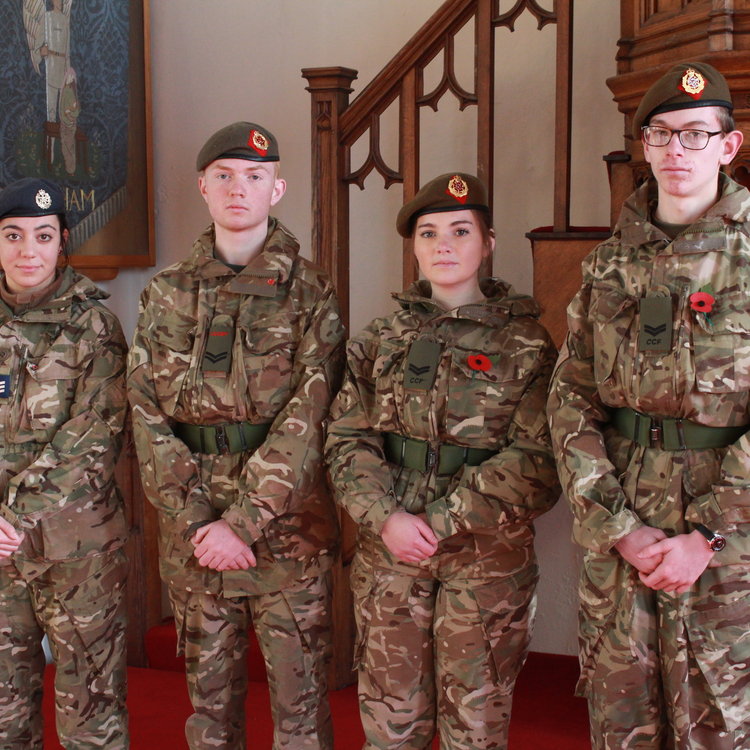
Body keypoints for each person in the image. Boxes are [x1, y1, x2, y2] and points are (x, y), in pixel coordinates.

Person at [548, 61, 750, 749]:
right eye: (660, 134)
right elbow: (571, 394)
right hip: (622, 531)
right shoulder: (609, 263)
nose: (675, 151)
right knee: (620, 717)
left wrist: (709, 534)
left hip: (727, 548)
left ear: (729, 145)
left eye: (696, 134)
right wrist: (615, 523)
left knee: (720, 723)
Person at [127, 121, 345, 750]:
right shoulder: (167, 292)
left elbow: (312, 415)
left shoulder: (310, 292)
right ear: (203, 186)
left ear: (277, 188)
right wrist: (197, 519)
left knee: (300, 708)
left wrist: (242, 522)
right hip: (192, 525)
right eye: (223, 175)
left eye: (253, 176)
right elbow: (143, 408)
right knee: (208, 707)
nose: (237, 188)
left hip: (284, 525)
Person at [325, 172, 560, 749]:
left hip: (486, 556)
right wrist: (384, 517)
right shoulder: (380, 339)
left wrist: (440, 520)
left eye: (460, 230)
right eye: (428, 234)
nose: (444, 245)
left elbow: (538, 459)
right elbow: (345, 438)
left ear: (488, 242)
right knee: (390, 721)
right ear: (415, 247)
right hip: (392, 552)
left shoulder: (527, 343)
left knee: (475, 726)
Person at [0, 177, 129, 748]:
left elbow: (96, 434)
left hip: (77, 549)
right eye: (13, 235)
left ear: (62, 243)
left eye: (42, 236)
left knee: (90, 712)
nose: (28, 250)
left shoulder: (94, 328)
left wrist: (15, 515)